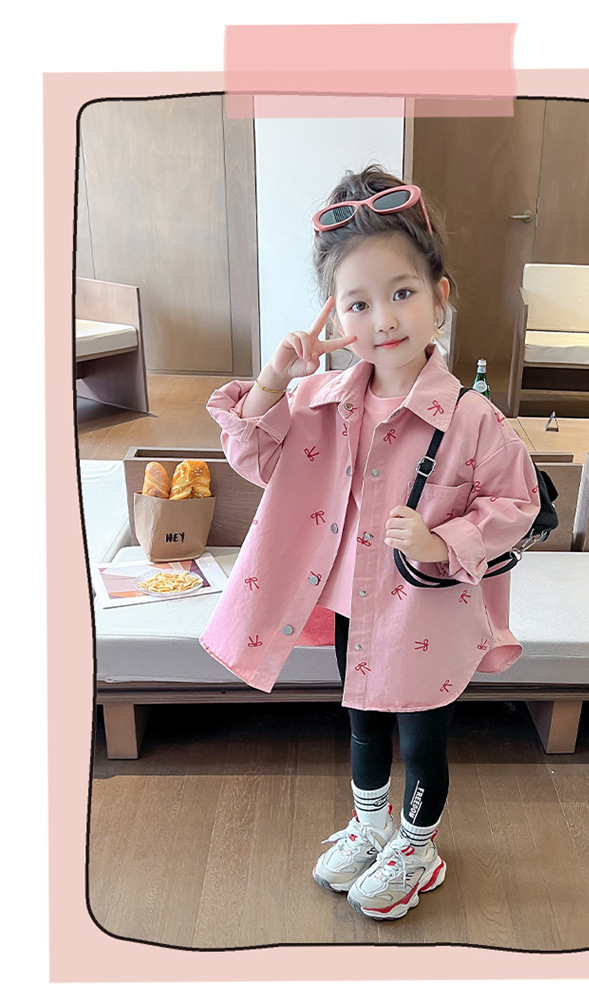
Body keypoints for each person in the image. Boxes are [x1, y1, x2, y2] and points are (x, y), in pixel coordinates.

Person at [200, 165, 541, 921]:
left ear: (440, 298)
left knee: (421, 739)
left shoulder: (474, 419)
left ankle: (419, 849)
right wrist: (274, 377)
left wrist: (440, 537)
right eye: (358, 303)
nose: (383, 318)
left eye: (403, 292)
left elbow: (516, 503)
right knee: (361, 720)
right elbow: (255, 458)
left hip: (428, 612)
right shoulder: (316, 400)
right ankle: (371, 827)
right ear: (336, 315)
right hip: (352, 603)